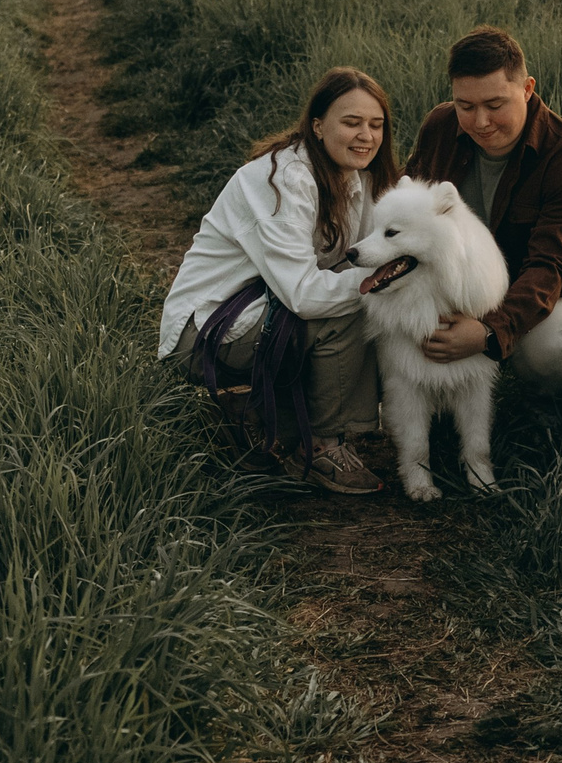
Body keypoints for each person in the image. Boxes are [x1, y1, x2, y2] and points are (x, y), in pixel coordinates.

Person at [159, 67, 396, 494]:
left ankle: (258, 412)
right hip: (204, 334)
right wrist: (381, 283)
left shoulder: (361, 176)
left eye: (376, 125)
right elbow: (304, 295)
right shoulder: (284, 179)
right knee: (356, 305)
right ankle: (318, 445)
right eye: (351, 122)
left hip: (264, 317)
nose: (366, 136)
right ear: (318, 125)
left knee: (364, 296)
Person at [404, 26, 562, 392]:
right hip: (457, 275)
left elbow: (550, 266)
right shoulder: (439, 126)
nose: (481, 122)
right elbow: (409, 208)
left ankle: (546, 408)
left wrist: (488, 330)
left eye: (495, 105)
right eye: (466, 106)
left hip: (547, 282)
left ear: (527, 89)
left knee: (547, 351)